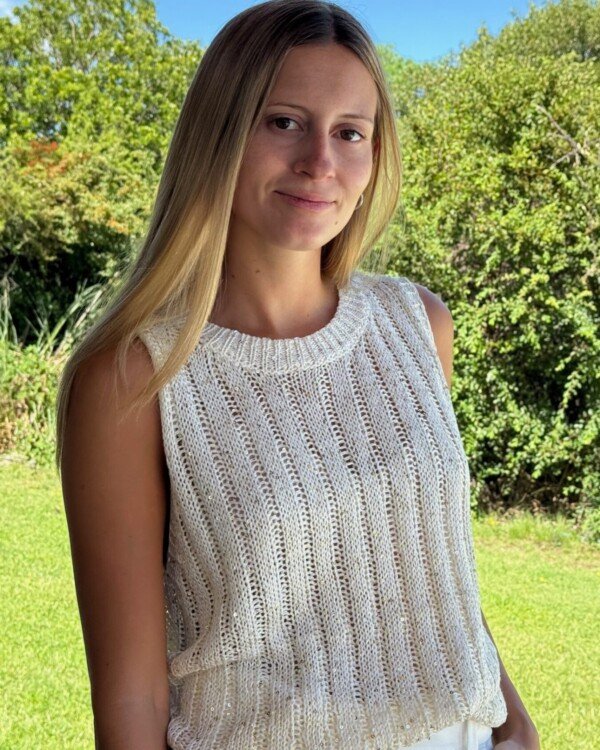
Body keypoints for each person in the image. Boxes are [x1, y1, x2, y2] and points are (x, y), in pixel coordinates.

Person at [56, 1, 540, 748]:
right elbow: (131, 699)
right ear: (220, 133)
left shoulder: (419, 324)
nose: (321, 161)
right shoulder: (133, 375)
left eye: (350, 132)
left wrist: (515, 721)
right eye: (284, 121)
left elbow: (432, 570)